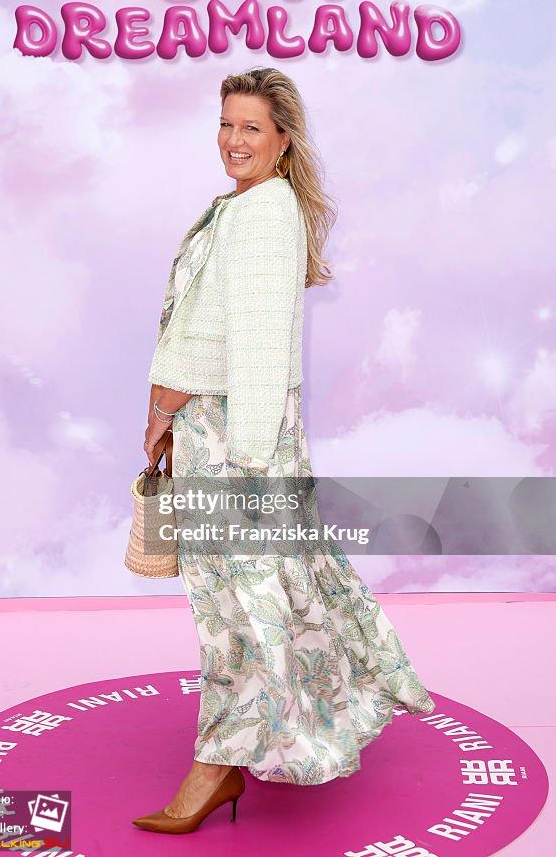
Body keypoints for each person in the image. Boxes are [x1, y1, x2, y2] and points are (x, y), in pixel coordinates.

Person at [132, 67, 435, 835]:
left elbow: (258, 348)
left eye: (251, 128)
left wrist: (236, 454)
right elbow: (198, 324)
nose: (233, 140)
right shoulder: (242, 205)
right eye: (225, 124)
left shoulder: (265, 214)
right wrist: (166, 412)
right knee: (247, 599)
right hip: (216, 430)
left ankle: (221, 763)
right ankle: (246, 744)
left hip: (238, 440)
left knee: (245, 605)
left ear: (283, 139)